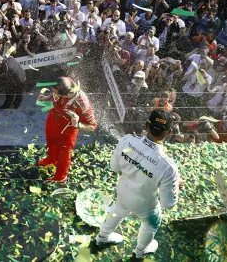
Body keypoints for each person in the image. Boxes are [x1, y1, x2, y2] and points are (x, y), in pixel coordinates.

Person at [96, 109, 182, 258]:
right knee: (150, 225)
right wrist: (177, 185)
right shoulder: (168, 168)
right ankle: (140, 251)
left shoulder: (126, 141)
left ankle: (102, 238)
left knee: (117, 211)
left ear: (146, 126)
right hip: (145, 204)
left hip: (123, 191)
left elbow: (114, 167)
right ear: (168, 133)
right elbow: (168, 204)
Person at [37, 77, 97, 182]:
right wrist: (47, 98)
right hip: (54, 117)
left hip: (68, 128)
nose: (54, 94)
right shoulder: (65, 82)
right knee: (51, 141)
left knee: (63, 153)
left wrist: (78, 124)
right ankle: (52, 159)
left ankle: (60, 177)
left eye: (56, 93)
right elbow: (55, 93)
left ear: (65, 95)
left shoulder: (82, 104)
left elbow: (92, 126)